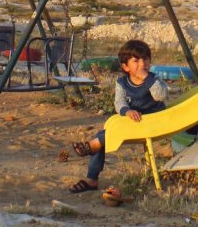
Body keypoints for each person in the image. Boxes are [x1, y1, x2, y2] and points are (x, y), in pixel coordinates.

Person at [69, 39, 168, 193]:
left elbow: (160, 96)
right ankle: (92, 178)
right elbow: (119, 102)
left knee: (100, 140)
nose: (142, 63)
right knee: (102, 135)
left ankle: (91, 147)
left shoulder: (154, 79)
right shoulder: (122, 82)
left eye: (145, 59)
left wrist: (146, 78)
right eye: (136, 60)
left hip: (153, 121)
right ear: (125, 66)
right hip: (133, 121)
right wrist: (127, 111)